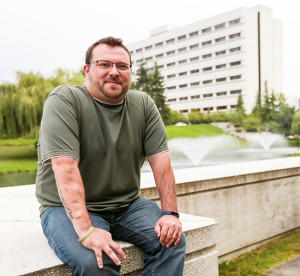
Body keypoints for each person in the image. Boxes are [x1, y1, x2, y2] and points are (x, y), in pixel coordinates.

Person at [35, 36, 186, 276]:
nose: (114, 72)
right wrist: (86, 230)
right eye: (104, 64)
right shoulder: (64, 100)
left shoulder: (143, 103)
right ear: (87, 69)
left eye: (122, 66)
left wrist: (170, 214)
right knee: (96, 261)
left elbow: (161, 163)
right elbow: (65, 167)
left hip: (128, 205)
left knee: (172, 240)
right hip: (64, 209)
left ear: (130, 71)